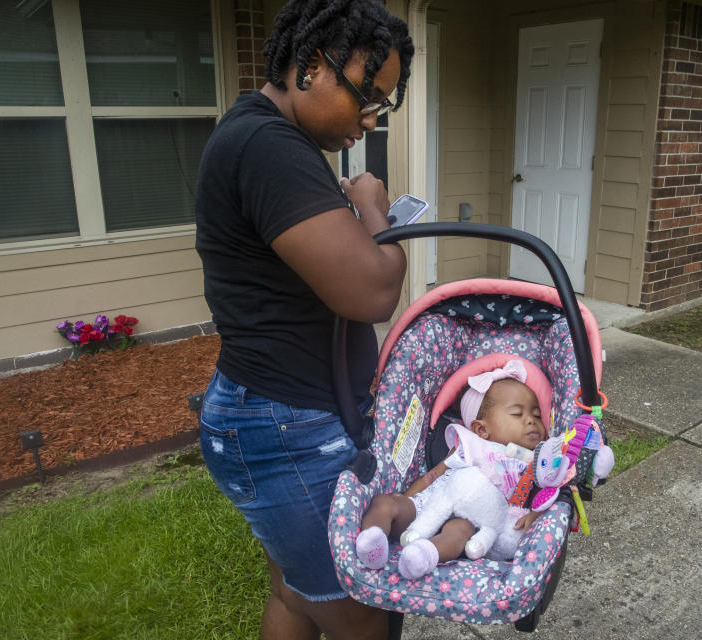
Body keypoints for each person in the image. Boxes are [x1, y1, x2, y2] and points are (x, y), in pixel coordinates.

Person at [193, 1, 414, 638]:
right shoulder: (266, 145)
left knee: (297, 595)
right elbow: (372, 290)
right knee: (362, 616)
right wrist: (375, 210)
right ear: (311, 65)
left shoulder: (263, 135)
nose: (371, 117)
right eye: (365, 95)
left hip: (267, 413)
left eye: (384, 104)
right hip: (284, 425)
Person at [355, 360, 559, 579]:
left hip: (473, 522)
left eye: (537, 415)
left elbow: (543, 495)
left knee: (458, 532)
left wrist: (535, 514)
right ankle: (372, 545)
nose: (531, 421)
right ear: (481, 429)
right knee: (385, 503)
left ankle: (423, 556)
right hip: (432, 502)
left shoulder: (535, 461)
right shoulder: (467, 445)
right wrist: (407, 498)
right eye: (518, 414)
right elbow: (432, 477)